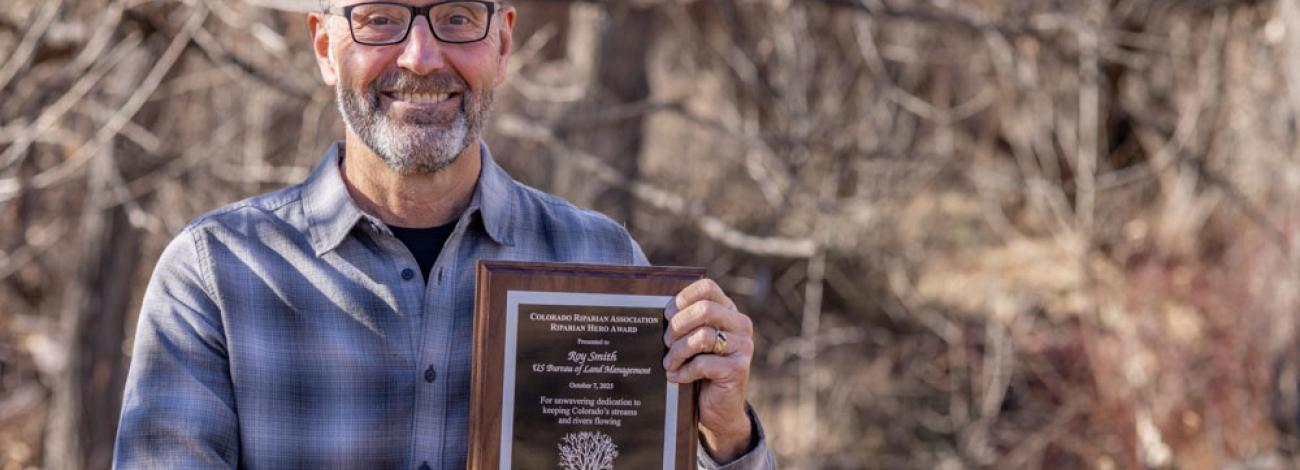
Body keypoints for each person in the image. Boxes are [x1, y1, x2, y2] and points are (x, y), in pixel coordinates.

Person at [113, 1, 776, 468]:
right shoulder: (216, 275)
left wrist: (724, 436)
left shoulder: (603, 265)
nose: (422, 57)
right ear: (324, 46)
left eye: (457, 17)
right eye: (380, 19)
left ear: (504, 44)